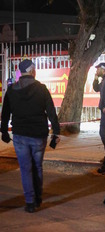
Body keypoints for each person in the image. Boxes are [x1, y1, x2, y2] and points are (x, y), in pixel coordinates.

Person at [0, 59, 60, 213]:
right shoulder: (42, 89)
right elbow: (52, 112)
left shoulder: (12, 90)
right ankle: (38, 197)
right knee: (37, 166)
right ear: (32, 70)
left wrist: (4, 131)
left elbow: (5, 113)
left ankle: (30, 202)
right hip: (38, 134)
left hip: (20, 134)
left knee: (25, 168)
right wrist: (56, 132)